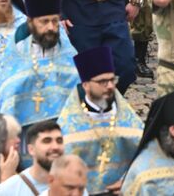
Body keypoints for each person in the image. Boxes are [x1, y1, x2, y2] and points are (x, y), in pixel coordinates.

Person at [55, 46, 143, 193]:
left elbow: (146, 157)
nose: (110, 86)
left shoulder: (129, 121)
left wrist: (128, 180)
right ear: (86, 85)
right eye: (103, 82)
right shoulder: (69, 125)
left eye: (112, 80)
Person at [0, 0, 79, 125]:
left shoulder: (68, 56)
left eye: (54, 21)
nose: (51, 28)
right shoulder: (16, 56)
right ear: (30, 22)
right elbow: (4, 98)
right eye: (44, 22)